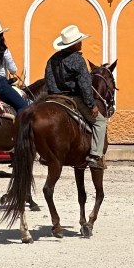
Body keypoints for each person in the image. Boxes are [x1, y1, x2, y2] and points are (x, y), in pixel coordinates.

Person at [45, 24, 107, 169]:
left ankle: (45, 154)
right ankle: (95, 156)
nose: (81, 43)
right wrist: (91, 105)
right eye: (79, 41)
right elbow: (85, 86)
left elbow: (48, 80)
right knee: (100, 122)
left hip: (53, 98)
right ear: (73, 44)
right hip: (73, 98)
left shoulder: (52, 59)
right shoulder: (78, 60)